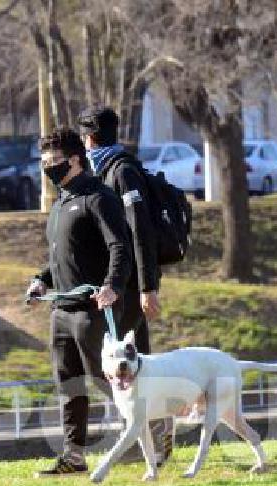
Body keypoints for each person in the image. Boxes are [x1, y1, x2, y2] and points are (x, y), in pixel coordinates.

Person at [26, 128, 131, 476]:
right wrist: (42, 280)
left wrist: (112, 286)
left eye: (52, 162)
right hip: (61, 312)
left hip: (92, 311)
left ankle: (144, 436)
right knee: (68, 384)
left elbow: (120, 247)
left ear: (74, 159)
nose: (47, 168)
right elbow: (62, 258)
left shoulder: (98, 198)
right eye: (43, 162)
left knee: (109, 381)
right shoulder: (60, 202)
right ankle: (74, 456)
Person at [77, 105, 171, 461]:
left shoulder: (122, 172)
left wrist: (148, 286)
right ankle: (146, 436)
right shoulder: (101, 170)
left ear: (89, 138)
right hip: (114, 283)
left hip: (129, 286)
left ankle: (151, 436)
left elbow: (141, 232)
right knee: (128, 363)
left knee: (130, 362)